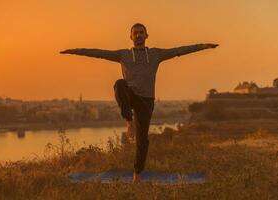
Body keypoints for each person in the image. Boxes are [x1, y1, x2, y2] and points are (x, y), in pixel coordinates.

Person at [60, 23, 219, 183]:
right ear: (130, 36)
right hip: (130, 95)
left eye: (141, 32)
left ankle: (137, 173)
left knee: (142, 139)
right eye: (135, 33)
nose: (138, 35)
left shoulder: (156, 54)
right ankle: (129, 121)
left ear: (146, 35)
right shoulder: (123, 55)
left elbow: (179, 51)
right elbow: (98, 53)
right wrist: (74, 51)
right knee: (119, 84)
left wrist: (203, 46)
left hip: (146, 100)